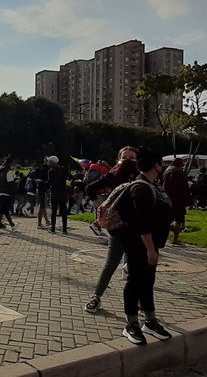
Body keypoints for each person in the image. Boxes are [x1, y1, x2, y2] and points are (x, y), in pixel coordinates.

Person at [118, 148, 173, 345]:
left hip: (151, 244)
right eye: (161, 164)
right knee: (134, 282)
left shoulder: (152, 185)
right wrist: (150, 249)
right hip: (138, 244)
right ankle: (131, 324)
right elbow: (142, 222)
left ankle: (149, 321)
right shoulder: (140, 187)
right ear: (155, 166)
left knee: (147, 282)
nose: (163, 167)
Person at [84, 157, 139, 314]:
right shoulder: (137, 181)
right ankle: (141, 303)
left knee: (111, 264)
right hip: (133, 227)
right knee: (135, 265)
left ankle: (96, 297)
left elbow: (89, 188)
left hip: (115, 225)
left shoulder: (112, 176)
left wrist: (99, 206)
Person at [85, 146, 138, 237]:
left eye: (132, 158)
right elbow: (89, 188)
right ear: (118, 160)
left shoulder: (141, 175)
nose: (128, 161)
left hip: (136, 220)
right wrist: (99, 205)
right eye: (124, 158)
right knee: (115, 248)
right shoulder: (112, 175)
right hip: (117, 221)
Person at [162, 158, 190, 245]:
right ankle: (175, 239)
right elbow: (183, 188)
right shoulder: (179, 173)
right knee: (178, 220)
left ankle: (164, 238)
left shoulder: (166, 171)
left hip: (167, 199)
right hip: (178, 200)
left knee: (168, 220)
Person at [0, 158, 16, 234]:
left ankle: (13, 225)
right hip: (5, 193)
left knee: (5, 210)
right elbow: (11, 184)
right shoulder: (8, 171)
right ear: (11, 163)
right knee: (2, 211)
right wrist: (12, 193)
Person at [47, 155, 69, 234]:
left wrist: (41, 182)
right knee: (63, 211)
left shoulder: (51, 171)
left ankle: (53, 228)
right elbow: (68, 177)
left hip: (55, 193)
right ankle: (64, 229)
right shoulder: (63, 169)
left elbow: (50, 183)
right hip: (63, 192)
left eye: (49, 162)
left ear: (53, 162)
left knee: (54, 211)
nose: (48, 163)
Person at [36, 164, 51, 229]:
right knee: (42, 207)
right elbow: (48, 183)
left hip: (40, 190)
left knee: (43, 206)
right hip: (42, 191)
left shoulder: (39, 172)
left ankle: (47, 221)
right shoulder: (46, 172)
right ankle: (39, 224)